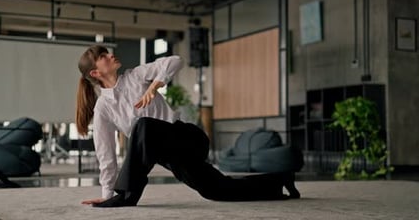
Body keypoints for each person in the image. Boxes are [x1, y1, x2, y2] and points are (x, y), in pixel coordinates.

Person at [76, 45, 300, 208]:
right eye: (103, 56)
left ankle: (126, 195)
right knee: (219, 190)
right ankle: (279, 180)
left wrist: (155, 85)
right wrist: (106, 193)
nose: (111, 54)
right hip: (171, 156)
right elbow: (106, 155)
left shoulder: (136, 76)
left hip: (187, 138)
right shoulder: (103, 109)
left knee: (142, 126)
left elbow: (176, 60)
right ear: (95, 73)